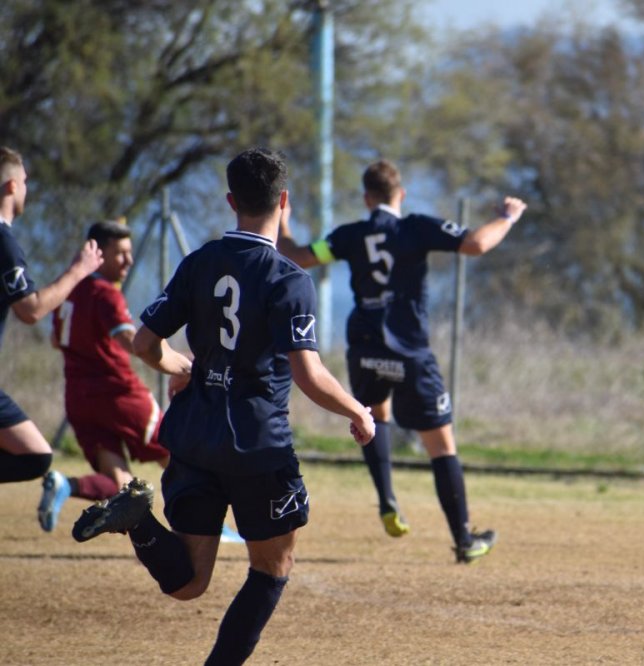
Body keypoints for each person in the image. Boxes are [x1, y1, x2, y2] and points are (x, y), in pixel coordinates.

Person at [71, 147, 375, 665]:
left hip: (193, 437)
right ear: (285, 201)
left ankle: (139, 522)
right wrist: (357, 410)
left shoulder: (201, 262)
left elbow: (144, 343)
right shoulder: (288, 279)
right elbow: (308, 372)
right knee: (272, 569)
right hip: (256, 445)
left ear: (232, 200)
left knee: (188, 581)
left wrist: (180, 368)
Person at [277, 158, 526, 563]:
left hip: (365, 348)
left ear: (366, 198)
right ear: (402, 195)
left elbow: (298, 255)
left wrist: (284, 222)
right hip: (408, 350)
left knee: (374, 415)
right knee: (441, 445)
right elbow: (477, 244)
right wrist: (507, 217)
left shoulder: (349, 235)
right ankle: (464, 538)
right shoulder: (416, 227)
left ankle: (387, 498)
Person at [37, 220, 243, 543]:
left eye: (130, 253)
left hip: (78, 399)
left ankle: (66, 484)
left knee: (120, 482)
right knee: (179, 454)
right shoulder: (106, 294)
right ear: (98, 254)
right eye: (121, 254)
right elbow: (129, 340)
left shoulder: (68, 293)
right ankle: (209, 528)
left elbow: (54, 339)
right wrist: (176, 361)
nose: (128, 261)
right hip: (118, 395)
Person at [0, 146, 103, 485]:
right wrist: (78, 270)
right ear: (12, 186)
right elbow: (31, 310)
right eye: (25, 180)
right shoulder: (4, 242)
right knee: (36, 457)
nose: (28, 188)